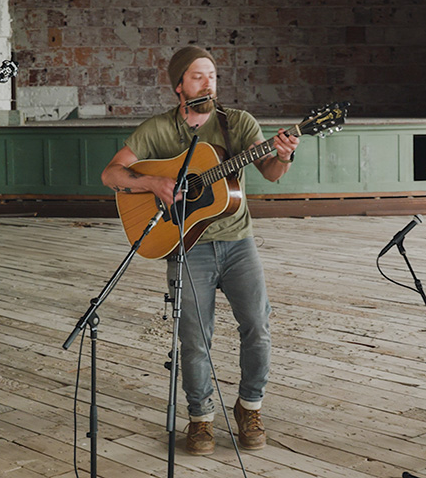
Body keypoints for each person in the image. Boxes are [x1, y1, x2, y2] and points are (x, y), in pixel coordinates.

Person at [100, 45, 299, 456]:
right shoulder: (158, 129)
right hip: (186, 245)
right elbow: (112, 173)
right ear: (178, 86)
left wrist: (284, 154)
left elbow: (273, 173)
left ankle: (250, 407)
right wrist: (153, 184)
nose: (208, 82)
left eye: (212, 75)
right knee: (194, 338)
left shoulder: (237, 123)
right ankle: (201, 418)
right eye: (197, 76)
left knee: (258, 327)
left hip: (238, 241)